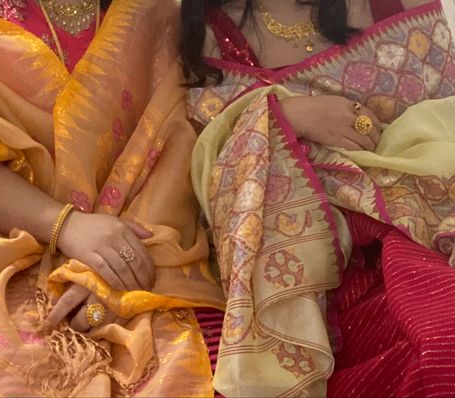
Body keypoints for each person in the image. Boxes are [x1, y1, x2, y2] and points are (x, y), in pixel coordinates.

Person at [0, 0, 226, 396]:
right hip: (0, 247)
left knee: (199, 366)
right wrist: (64, 225)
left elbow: (177, 147)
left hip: (140, 252)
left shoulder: (157, 13)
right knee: (0, 365)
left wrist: (113, 269)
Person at [183, 0, 455, 396]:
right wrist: (286, 117)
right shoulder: (199, 34)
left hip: (427, 229)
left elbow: (445, 125)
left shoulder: (393, 4)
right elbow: (193, 176)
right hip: (309, 279)